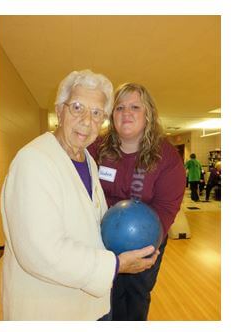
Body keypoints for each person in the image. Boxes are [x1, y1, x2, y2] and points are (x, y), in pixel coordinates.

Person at [2, 70, 159, 320]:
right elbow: (41, 252)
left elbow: (93, 224)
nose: (87, 120)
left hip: (91, 305)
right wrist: (116, 264)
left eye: (97, 113)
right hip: (50, 307)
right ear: (59, 110)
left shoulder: (87, 159)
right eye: (77, 107)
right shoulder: (33, 161)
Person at [89, 82, 186, 320]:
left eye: (135, 107)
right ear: (112, 115)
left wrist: (148, 247)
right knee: (102, 294)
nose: (127, 113)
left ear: (148, 114)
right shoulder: (96, 148)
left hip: (145, 240)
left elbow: (166, 207)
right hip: (100, 236)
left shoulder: (167, 156)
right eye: (120, 108)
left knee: (134, 296)